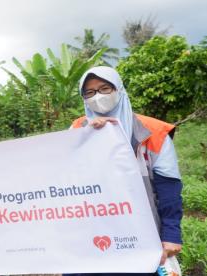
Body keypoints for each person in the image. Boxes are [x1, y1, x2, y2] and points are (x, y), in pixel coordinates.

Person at [68, 66, 183, 276]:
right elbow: (67, 176)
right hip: (91, 228)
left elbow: (169, 188)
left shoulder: (153, 131)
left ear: (119, 90)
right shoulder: (77, 128)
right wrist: (88, 136)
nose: (98, 97)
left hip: (142, 232)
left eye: (104, 88)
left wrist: (171, 234)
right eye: (90, 93)